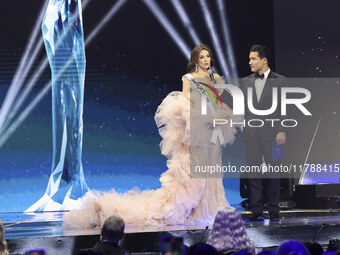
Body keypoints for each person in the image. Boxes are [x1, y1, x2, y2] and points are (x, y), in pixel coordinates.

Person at [63, 44, 239, 228]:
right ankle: (195, 211)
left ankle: (212, 209)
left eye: (208, 56)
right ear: (195, 60)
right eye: (202, 57)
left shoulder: (216, 78)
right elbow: (185, 102)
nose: (206, 60)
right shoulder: (189, 78)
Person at [241, 44, 286, 221]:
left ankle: (274, 210)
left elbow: (285, 108)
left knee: (274, 172)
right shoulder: (245, 81)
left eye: (253, 59)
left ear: (264, 60)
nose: (250, 62)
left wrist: (282, 130)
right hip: (251, 134)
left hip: (274, 135)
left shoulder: (280, 80)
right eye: (249, 59)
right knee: (253, 172)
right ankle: (256, 211)